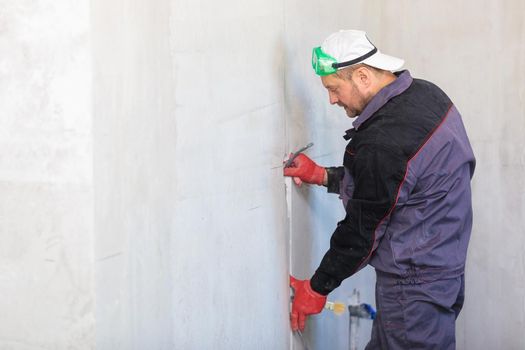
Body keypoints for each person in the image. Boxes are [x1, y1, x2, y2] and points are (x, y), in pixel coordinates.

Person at [284, 30, 475, 349]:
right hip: (442, 270)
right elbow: (399, 183)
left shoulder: (383, 141)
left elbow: (362, 231)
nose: (331, 100)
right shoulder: (426, 95)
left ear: (361, 76)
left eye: (333, 89)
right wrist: (322, 175)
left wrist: (316, 288)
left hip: (413, 290)